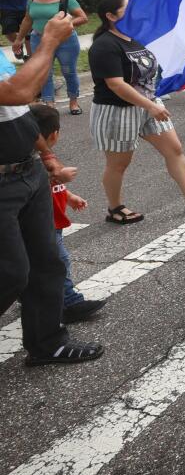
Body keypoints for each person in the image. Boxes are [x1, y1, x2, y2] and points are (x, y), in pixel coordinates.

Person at [0, 10, 104, 365]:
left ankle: (47, 343)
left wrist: (46, 155)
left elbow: (18, 109)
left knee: (47, 263)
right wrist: (49, 41)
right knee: (11, 272)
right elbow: (19, 91)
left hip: (26, 170)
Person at [87, 0, 185, 222]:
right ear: (110, 16)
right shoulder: (104, 46)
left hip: (149, 104)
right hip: (118, 111)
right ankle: (115, 208)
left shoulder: (136, 38)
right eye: (127, 10)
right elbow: (116, 85)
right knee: (119, 163)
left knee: (174, 149)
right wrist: (150, 105)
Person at [29, 103, 106, 322]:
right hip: (45, 222)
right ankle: (69, 302)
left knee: (37, 262)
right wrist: (58, 177)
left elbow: (54, 186)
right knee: (58, 262)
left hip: (49, 221)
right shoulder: (37, 161)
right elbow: (42, 183)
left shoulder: (41, 157)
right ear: (54, 134)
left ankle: (30, 296)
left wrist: (69, 196)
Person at [15, 0, 87, 113]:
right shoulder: (32, 0)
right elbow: (27, 20)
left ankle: (73, 102)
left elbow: (83, 17)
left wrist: (65, 25)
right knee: (44, 73)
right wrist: (18, 39)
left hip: (65, 40)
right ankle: (49, 104)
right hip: (38, 39)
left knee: (69, 72)